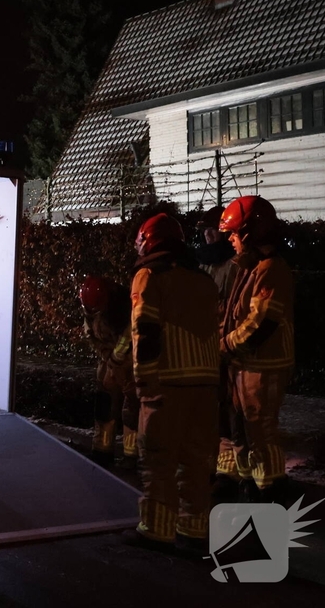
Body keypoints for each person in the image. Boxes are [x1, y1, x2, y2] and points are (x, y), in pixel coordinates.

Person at [126, 213, 220, 553]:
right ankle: (195, 527)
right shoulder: (204, 280)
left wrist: (143, 380)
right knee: (196, 460)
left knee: (158, 458)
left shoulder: (148, 276)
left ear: (148, 242)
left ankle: (156, 529)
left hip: (165, 382)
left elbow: (145, 330)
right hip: (206, 384)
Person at [219, 196, 294, 504]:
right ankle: (249, 486)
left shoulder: (270, 269)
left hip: (264, 365)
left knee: (260, 429)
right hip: (245, 364)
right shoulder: (252, 268)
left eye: (234, 233)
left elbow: (259, 325)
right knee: (243, 428)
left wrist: (223, 345)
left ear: (250, 233)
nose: (230, 239)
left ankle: (271, 492)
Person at [195, 206, 244, 503]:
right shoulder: (205, 263)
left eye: (212, 229)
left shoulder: (234, 266)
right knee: (209, 412)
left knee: (228, 412)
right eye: (205, 230)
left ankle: (228, 475)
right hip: (207, 347)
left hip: (226, 348)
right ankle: (213, 467)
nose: (207, 235)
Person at [79, 275, 138, 467]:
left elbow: (128, 336)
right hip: (108, 361)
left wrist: (116, 358)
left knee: (131, 408)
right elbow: (91, 335)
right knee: (104, 405)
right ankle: (102, 452)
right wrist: (107, 358)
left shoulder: (122, 307)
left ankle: (133, 455)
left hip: (128, 362)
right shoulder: (91, 306)